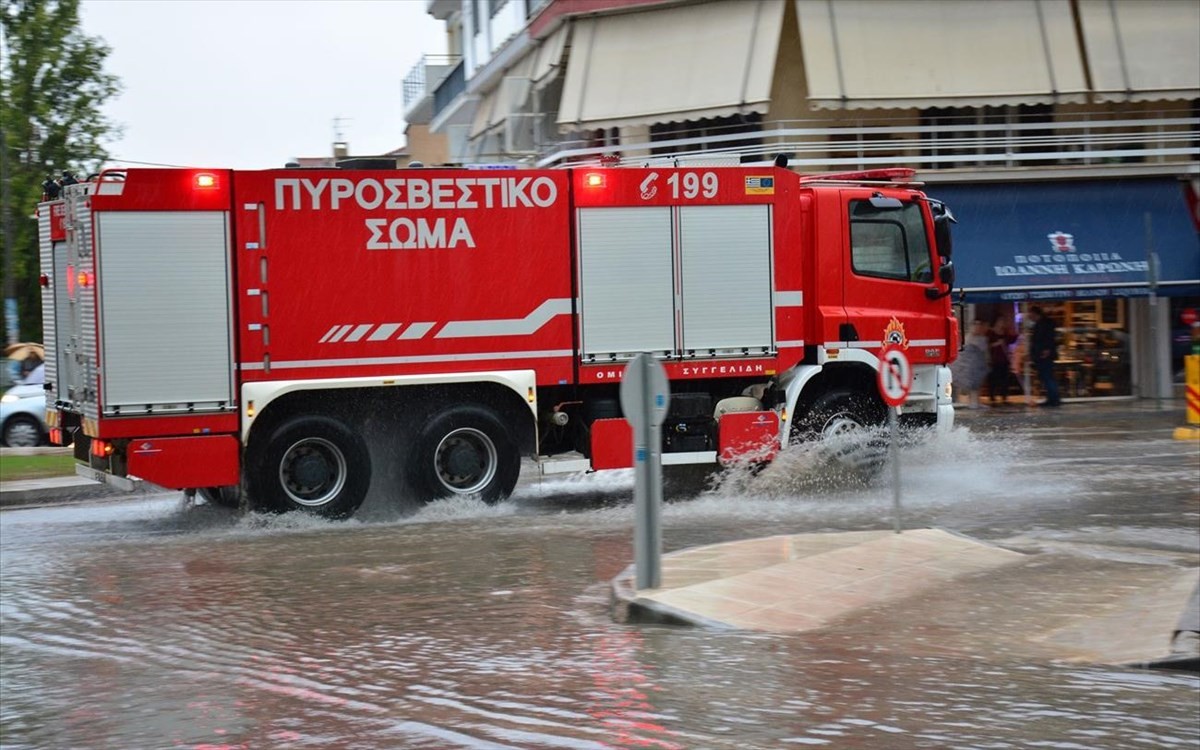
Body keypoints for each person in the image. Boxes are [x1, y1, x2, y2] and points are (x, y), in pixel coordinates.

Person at [953, 319, 990, 409]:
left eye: (979, 325)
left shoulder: (983, 338)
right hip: (970, 365)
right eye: (975, 325)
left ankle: (976, 401)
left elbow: (985, 352)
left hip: (979, 364)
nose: (977, 327)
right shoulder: (968, 338)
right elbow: (965, 353)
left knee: (977, 384)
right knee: (971, 384)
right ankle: (971, 402)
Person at [1028, 306, 1061, 407]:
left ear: (1035, 314)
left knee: (1047, 377)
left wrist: (1046, 350)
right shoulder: (1042, 323)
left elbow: (1047, 339)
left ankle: (1053, 399)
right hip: (1042, 355)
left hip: (1043, 355)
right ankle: (1052, 399)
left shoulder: (1044, 324)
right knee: (1047, 377)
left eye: (1031, 314)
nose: (1029, 316)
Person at [987, 315, 1018, 403]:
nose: (1002, 323)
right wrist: (997, 343)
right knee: (994, 378)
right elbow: (988, 345)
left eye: (1003, 321)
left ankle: (1004, 396)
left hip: (1004, 359)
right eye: (1000, 321)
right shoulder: (991, 333)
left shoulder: (1005, 332)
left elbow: (1012, 340)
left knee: (1004, 378)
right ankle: (992, 395)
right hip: (994, 359)